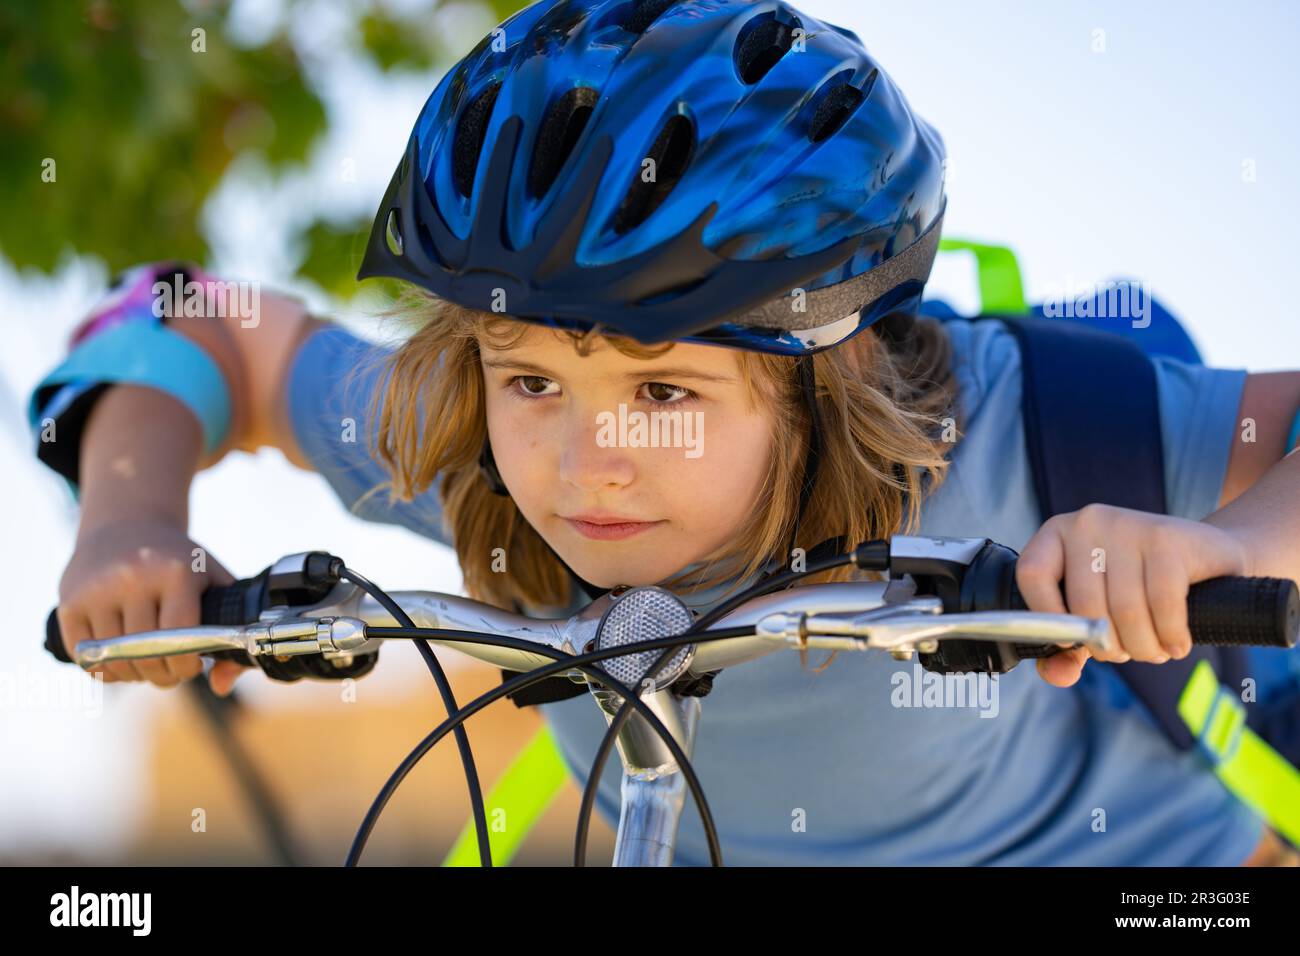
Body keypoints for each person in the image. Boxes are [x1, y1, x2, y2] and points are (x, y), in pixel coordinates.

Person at [30, 0, 1300, 866]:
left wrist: (1226, 537)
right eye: (528, 378)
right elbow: (181, 308)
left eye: (665, 394)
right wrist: (132, 517)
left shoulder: (1031, 435)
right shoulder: (465, 450)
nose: (582, 464)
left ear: (820, 378)